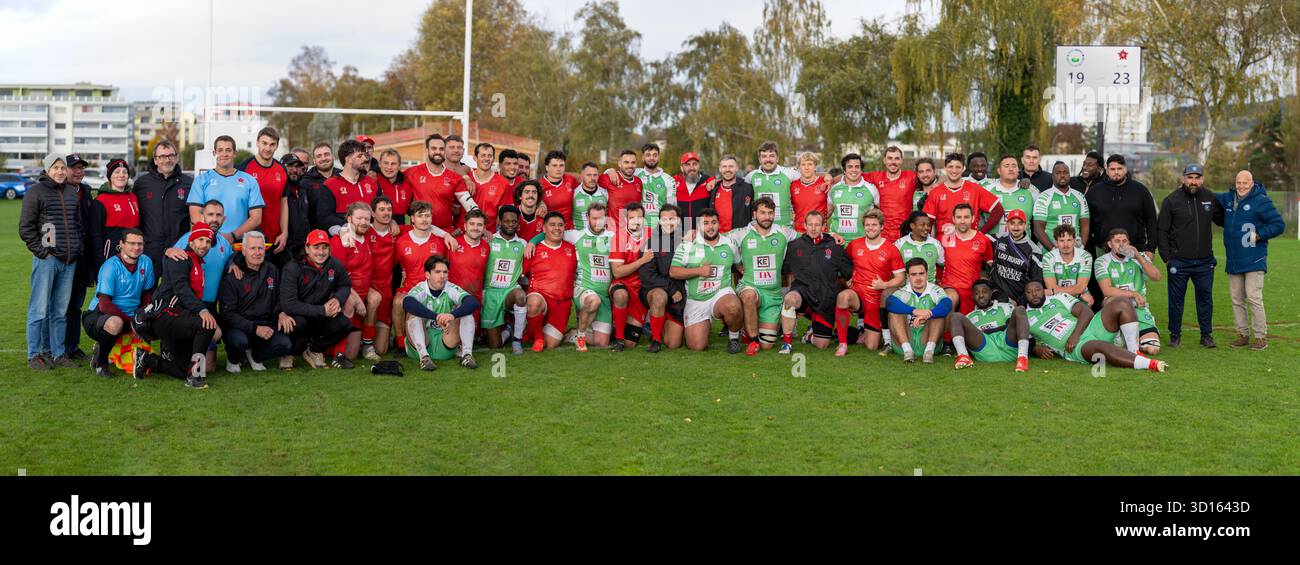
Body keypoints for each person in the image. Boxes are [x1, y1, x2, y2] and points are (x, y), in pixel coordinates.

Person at [133, 223, 220, 388]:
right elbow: (181, 289)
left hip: (179, 317)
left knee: (181, 371)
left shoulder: (196, 262)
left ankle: (147, 359)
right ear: (191, 241)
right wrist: (202, 310)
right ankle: (195, 376)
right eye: (200, 240)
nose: (204, 245)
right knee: (207, 325)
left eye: (208, 242)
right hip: (164, 316)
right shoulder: (180, 257)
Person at [20, 154, 83, 370]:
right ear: (47, 170)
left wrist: (77, 247)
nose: (59, 171)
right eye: (55, 167)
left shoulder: (70, 192)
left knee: (60, 311)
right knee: (38, 309)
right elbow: (25, 228)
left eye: (62, 167)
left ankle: (57, 353)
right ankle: (34, 355)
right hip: (47, 260)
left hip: (69, 260)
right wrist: (42, 252)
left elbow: (77, 225)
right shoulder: (35, 192)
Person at [1023, 280, 1167, 373]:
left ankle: (1134, 352)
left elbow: (1086, 312)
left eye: (1037, 290)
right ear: (1024, 295)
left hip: (1089, 328)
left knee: (1122, 302)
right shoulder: (1025, 317)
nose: (1034, 294)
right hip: (1077, 347)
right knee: (1101, 347)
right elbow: (1022, 343)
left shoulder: (1058, 298)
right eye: (1029, 292)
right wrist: (1035, 349)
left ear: (1044, 290)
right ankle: (1150, 364)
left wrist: (1075, 335)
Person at [1215, 170, 1286, 350]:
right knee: (1236, 299)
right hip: (1234, 259)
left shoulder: (1261, 200)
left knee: (1253, 297)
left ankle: (1261, 337)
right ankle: (1242, 334)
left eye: (1245, 183)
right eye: (1238, 182)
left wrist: (1260, 235)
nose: (1241, 186)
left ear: (1252, 183)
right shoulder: (1229, 198)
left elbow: (1279, 224)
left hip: (1254, 259)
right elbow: (1210, 197)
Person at [530, 203, 615, 351]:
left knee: (602, 343)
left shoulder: (613, 237)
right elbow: (552, 232)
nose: (597, 222)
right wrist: (532, 242)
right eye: (594, 218)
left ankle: (573, 334)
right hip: (583, 289)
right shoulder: (576, 235)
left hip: (604, 295)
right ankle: (581, 337)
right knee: (593, 301)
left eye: (601, 218)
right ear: (587, 217)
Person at [1157, 164, 1222, 348]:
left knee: (1205, 299)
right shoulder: (1171, 200)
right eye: (1190, 177)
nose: (1193, 181)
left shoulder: (1210, 198)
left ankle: (1206, 335)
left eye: (1197, 177)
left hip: (1204, 262)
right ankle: (1175, 335)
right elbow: (1162, 231)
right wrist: (1167, 258)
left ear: (1202, 179)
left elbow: (1223, 219)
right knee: (1176, 301)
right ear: (1183, 179)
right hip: (1179, 262)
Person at [727, 197, 802, 355]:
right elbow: (718, 240)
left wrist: (832, 235)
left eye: (770, 213)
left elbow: (806, 237)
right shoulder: (742, 233)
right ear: (754, 214)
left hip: (773, 294)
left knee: (767, 345)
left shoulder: (783, 231)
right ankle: (752, 340)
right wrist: (737, 262)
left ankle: (749, 326)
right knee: (749, 296)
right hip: (750, 286)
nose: (767, 217)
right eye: (762, 213)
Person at [167, 200, 235, 372]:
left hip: (210, 305)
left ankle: (193, 353)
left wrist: (234, 265)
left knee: (210, 368)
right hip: (186, 304)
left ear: (224, 219)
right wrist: (167, 251)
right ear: (202, 216)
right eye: (210, 214)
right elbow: (170, 260)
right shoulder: (188, 239)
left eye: (218, 215)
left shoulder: (225, 244)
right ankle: (173, 348)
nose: (214, 219)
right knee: (183, 363)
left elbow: (228, 263)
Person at [670, 208, 744, 353]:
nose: (710, 227)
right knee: (697, 346)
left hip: (720, 294)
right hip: (696, 299)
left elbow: (740, 266)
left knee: (733, 306)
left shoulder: (730, 244)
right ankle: (703, 324)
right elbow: (673, 272)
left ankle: (734, 338)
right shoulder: (687, 244)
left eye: (714, 222)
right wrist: (698, 271)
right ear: (698, 226)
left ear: (719, 224)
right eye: (706, 223)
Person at [1084, 154, 1158, 298]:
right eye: (1112, 169)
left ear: (1125, 169)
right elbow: (1088, 222)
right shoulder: (1095, 192)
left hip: (1135, 248)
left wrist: (1151, 248)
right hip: (1104, 250)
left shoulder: (1140, 190)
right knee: (1106, 291)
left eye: (1120, 168)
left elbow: (1151, 220)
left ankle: (1137, 315)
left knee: (1136, 287)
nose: (1116, 172)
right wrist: (1090, 247)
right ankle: (1106, 317)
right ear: (1107, 169)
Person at [280, 230, 356, 369]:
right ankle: (288, 353)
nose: (321, 252)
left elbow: (345, 284)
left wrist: (337, 299)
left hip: (320, 315)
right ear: (307, 248)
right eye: (316, 247)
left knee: (344, 324)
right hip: (299, 315)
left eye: (324, 247)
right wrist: (322, 310)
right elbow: (288, 304)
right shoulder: (293, 267)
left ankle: (315, 349)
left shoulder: (334, 264)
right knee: (294, 324)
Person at [219, 231, 293, 372]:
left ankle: (255, 356)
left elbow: (278, 297)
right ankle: (233, 359)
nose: (257, 253)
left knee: (284, 344)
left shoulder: (272, 270)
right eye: (253, 248)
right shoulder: (232, 275)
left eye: (260, 248)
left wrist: (281, 313)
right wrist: (254, 328)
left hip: (265, 324)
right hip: (240, 327)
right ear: (244, 250)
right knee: (238, 342)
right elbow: (228, 315)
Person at [780, 210, 853, 353]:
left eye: (817, 225)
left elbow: (848, 272)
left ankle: (810, 336)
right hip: (803, 294)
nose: (813, 228)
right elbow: (784, 271)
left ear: (824, 226)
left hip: (825, 299)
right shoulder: (794, 246)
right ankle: (787, 343)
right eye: (810, 224)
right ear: (804, 225)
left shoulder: (835, 246)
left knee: (822, 344)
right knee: (790, 298)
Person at [84, 229, 154, 377]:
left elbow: (147, 295)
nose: (136, 247)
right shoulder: (110, 266)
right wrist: (132, 324)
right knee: (115, 323)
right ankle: (101, 364)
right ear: (121, 244)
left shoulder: (146, 262)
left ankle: (106, 347)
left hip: (130, 318)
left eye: (140, 244)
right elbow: (104, 305)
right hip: (99, 316)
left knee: (158, 320)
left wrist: (141, 321)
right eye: (132, 243)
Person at [835, 209, 905, 356]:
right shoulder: (855, 245)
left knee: (872, 346)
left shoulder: (891, 249)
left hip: (876, 300)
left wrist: (884, 285)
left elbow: (901, 278)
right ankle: (842, 343)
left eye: (874, 224)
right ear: (863, 226)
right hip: (858, 293)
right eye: (867, 225)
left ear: (881, 226)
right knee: (843, 297)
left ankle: (863, 332)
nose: (870, 228)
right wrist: (847, 279)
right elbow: (844, 261)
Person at [391, 201, 452, 354]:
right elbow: (393, 265)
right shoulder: (401, 241)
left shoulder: (440, 241)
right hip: (410, 287)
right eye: (420, 216)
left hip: (433, 289)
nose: (424, 219)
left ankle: (425, 343)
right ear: (412, 219)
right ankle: (400, 343)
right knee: (398, 301)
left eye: (427, 216)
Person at [403, 255, 480, 371]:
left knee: (466, 312)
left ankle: (467, 355)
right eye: (437, 272)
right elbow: (407, 303)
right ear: (427, 275)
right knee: (412, 314)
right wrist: (436, 317)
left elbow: (472, 302)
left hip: (445, 342)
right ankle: (424, 359)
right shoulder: (421, 289)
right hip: (420, 344)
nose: (442, 276)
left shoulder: (450, 288)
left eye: (445, 272)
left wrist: (452, 315)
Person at [1095, 229, 1163, 356]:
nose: (1121, 244)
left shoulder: (1138, 257)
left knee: (1153, 349)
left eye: (1124, 241)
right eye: (1117, 241)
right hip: (1115, 310)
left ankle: (1131, 341)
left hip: (1138, 309)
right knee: (1109, 300)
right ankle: (1123, 337)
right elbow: (1107, 290)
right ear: (1110, 244)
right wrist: (1134, 294)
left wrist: (1138, 256)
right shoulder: (1102, 261)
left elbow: (1156, 277)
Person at [327, 202, 378, 367]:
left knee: (376, 297)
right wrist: (354, 297)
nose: (363, 222)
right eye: (359, 218)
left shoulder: (369, 236)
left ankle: (367, 343)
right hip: (344, 294)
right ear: (349, 219)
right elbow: (337, 277)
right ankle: (338, 355)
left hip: (362, 292)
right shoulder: (341, 240)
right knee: (348, 302)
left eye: (367, 218)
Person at [188, 135, 264, 244]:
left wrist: (233, 235)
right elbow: (195, 214)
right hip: (209, 242)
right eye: (220, 150)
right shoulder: (201, 180)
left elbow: (256, 218)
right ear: (214, 153)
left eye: (228, 150)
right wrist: (211, 235)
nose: (224, 154)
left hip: (239, 242)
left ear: (234, 153)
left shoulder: (249, 181)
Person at [522, 212, 578, 352]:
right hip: (540, 296)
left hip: (562, 303)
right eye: (552, 225)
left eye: (560, 225)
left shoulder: (572, 248)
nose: (557, 228)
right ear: (544, 229)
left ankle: (534, 330)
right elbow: (520, 276)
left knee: (551, 344)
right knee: (534, 303)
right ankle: (537, 337)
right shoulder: (534, 249)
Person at [949, 279, 1031, 372]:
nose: (981, 295)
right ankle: (963, 357)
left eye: (984, 292)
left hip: (1006, 342)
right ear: (972, 296)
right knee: (956, 316)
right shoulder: (969, 317)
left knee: (1020, 309)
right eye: (976, 293)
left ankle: (1022, 358)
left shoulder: (1004, 306)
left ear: (991, 293)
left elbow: (1010, 325)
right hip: (985, 348)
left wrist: (986, 331)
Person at [136, 141, 194, 269]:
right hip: (149, 251)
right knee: (148, 289)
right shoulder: (142, 184)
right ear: (155, 160)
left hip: (179, 249)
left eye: (170, 156)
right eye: (162, 156)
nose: (167, 160)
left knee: (176, 288)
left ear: (176, 158)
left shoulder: (188, 183)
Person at [638, 204, 688, 352]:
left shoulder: (688, 241)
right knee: (659, 296)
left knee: (673, 343)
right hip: (658, 290)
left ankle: (662, 321)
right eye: (664, 219)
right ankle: (655, 340)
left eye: (672, 219)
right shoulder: (652, 242)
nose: (668, 223)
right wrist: (671, 289)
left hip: (680, 297)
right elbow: (647, 276)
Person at [481, 205, 530, 353]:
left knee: (520, 296)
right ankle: (509, 329)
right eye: (507, 221)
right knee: (495, 345)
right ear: (499, 221)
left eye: (514, 221)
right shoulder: (488, 240)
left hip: (510, 291)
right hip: (490, 293)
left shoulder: (523, 244)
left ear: (518, 223)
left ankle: (517, 341)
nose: (510, 224)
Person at [885, 258, 952, 363]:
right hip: (905, 341)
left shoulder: (935, 290)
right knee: (894, 312)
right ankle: (908, 351)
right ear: (908, 276)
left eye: (921, 273)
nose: (918, 278)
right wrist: (915, 311)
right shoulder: (904, 291)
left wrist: (928, 314)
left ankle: (929, 352)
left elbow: (947, 304)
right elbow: (890, 303)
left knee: (937, 313)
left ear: (926, 274)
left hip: (927, 339)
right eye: (914, 274)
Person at [237, 127, 290, 260]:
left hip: (275, 239)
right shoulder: (244, 168)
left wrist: (284, 233)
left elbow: (284, 204)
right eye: (264, 143)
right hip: (250, 239)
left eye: (272, 144)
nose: (267, 148)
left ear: (277, 146)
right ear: (257, 143)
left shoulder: (282, 170)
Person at [406, 134, 476, 233]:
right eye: (434, 148)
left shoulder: (455, 178)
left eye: (441, 149)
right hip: (419, 232)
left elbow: (469, 204)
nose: (438, 152)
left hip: (445, 233)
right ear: (427, 151)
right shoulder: (411, 173)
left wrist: (479, 219)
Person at [446, 209, 490, 367]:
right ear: (464, 225)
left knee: (473, 333)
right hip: (454, 298)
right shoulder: (453, 244)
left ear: (484, 228)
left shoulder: (487, 247)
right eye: (472, 224)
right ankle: (466, 353)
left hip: (476, 299)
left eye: (479, 225)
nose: (475, 228)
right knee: (452, 342)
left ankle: (466, 350)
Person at [923, 153, 1005, 237]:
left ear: (963, 168)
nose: (954, 171)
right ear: (945, 168)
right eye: (950, 167)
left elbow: (998, 210)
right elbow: (927, 222)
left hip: (970, 245)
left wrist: (981, 233)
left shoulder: (974, 189)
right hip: (944, 245)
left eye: (958, 167)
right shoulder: (936, 192)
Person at [63, 154, 94, 362]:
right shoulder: (59, 191)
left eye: (81, 167)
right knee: (60, 306)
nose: (78, 171)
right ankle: (57, 348)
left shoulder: (86, 192)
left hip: (83, 259)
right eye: (74, 167)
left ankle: (72, 346)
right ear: (65, 170)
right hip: (65, 257)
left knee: (75, 305)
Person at [608, 203, 652, 352]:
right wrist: (642, 260)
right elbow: (617, 272)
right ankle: (618, 339)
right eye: (632, 218)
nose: (636, 221)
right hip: (623, 284)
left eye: (639, 217)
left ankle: (615, 328)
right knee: (620, 295)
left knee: (631, 344)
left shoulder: (652, 234)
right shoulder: (619, 237)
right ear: (626, 220)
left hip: (642, 290)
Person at [87, 159, 141, 276]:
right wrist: (100, 264)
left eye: (124, 172)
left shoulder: (133, 197)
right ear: (110, 176)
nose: (121, 175)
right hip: (110, 258)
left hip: (132, 257)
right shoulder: (101, 201)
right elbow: (95, 236)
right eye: (117, 172)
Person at [363, 196, 401, 358]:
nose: (386, 213)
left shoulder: (396, 232)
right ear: (372, 212)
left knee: (382, 349)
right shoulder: (365, 229)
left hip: (386, 290)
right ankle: (365, 344)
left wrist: (447, 235)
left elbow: (426, 227)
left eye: (389, 210)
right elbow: (344, 229)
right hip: (366, 288)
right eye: (382, 210)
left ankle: (369, 339)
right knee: (373, 300)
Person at [940, 204, 995, 315]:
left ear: (973, 218)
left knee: (968, 325)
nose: (962, 221)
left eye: (966, 217)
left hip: (972, 292)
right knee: (949, 300)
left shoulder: (983, 240)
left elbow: (991, 267)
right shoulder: (945, 238)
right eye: (959, 217)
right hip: (950, 288)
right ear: (953, 219)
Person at [316, 140, 378, 236]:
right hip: (345, 242)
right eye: (359, 156)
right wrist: (350, 225)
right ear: (348, 159)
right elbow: (324, 217)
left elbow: (380, 209)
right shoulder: (330, 185)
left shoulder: (372, 183)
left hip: (371, 241)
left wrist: (391, 221)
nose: (364, 159)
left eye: (364, 155)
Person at [988, 209, 1043, 305]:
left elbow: (1036, 283)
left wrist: (1021, 302)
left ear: (1025, 225)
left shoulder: (1034, 251)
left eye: (1020, 223)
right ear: (1007, 224)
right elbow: (975, 238)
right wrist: (988, 259)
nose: (1016, 227)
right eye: (1012, 223)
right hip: (996, 293)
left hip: (1019, 299)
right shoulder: (997, 239)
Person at [1033, 161, 1090, 252]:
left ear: (1069, 175)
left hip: (1075, 252)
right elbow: (1038, 228)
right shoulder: (1044, 197)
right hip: (1049, 251)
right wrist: (1052, 250)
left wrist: (1081, 247)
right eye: (1058, 173)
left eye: (1065, 173)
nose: (1062, 175)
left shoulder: (1079, 196)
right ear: (1052, 176)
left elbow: (1085, 225)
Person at [863, 146, 919, 236]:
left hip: (905, 232)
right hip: (882, 233)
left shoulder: (911, 176)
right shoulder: (876, 177)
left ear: (901, 161)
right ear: (884, 160)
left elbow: (932, 178)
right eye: (890, 158)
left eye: (897, 158)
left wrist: (936, 183)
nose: (893, 162)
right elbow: (852, 175)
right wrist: (832, 180)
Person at [826, 153, 881, 241]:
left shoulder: (871, 189)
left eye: (857, 167)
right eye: (850, 167)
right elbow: (826, 214)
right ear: (844, 170)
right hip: (837, 241)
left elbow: (880, 214)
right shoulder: (834, 189)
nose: (854, 170)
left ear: (861, 170)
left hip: (862, 242)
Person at [744, 141, 798, 228]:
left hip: (784, 228)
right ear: (759, 159)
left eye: (772, 156)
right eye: (764, 156)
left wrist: (828, 177)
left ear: (777, 158)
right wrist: (714, 181)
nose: (768, 159)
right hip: (759, 228)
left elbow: (810, 180)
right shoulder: (751, 176)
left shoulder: (790, 174)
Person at [986, 154, 1039, 237]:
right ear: (999, 170)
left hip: (1022, 248)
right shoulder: (987, 190)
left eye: (1014, 166)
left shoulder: (1031, 191)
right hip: (993, 246)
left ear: (1018, 170)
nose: (1011, 169)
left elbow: (1042, 221)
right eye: (1006, 166)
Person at [1041, 224, 1094, 306]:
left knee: (1087, 302)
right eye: (1062, 241)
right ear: (1056, 242)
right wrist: (1078, 293)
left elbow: (1080, 287)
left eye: (1069, 240)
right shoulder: (1048, 257)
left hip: (1081, 296)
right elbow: (1051, 286)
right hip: (1059, 297)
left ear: (1074, 241)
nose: (1066, 245)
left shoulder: (1085, 256)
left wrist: (1053, 291)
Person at [468, 143, 512, 234]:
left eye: (490, 156)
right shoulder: (465, 178)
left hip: (488, 235)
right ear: (475, 158)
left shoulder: (503, 184)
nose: (487, 159)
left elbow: (503, 215)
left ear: (493, 159)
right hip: (464, 232)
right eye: (483, 155)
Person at [633, 143, 678, 228]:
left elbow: (672, 207)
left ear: (659, 157)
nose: (651, 158)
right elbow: (619, 172)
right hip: (637, 226)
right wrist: (610, 170)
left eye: (655, 155)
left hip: (658, 227)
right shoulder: (635, 173)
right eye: (648, 155)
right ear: (643, 158)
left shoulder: (669, 180)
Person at [707, 155, 754, 233]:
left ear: (737, 168)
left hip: (740, 237)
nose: (727, 170)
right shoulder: (713, 189)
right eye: (724, 167)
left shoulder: (748, 189)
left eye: (731, 166)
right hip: (718, 237)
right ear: (720, 169)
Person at [895, 211, 944, 284]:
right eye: (922, 225)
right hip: (906, 289)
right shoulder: (900, 244)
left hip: (930, 289)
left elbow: (944, 264)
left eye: (928, 225)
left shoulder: (935, 244)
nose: (926, 228)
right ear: (912, 226)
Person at [598, 150, 644, 227]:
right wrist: (609, 170)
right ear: (619, 163)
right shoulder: (609, 178)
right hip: (614, 232)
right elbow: (591, 179)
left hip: (633, 232)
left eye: (633, 162)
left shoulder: (638, 181)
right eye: (626, 162)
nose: (630, 165)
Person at [280, 152, 311, 265]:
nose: (294, 170)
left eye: (297, 166)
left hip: (302, 249)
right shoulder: (279, 191)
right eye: (290, 166)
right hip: (284, 249)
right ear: (282, 167)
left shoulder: (303, 190)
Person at [537, 150, 579, 228]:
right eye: (554, 165)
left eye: (561, 165)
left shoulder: (571, 180)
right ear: (547, 167)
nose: (558, 169)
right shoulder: (539, 186)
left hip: (570, 230)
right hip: (551, 230)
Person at [790, 152, 829, 233]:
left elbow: (831, 207)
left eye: (810, 164)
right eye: (803, 164)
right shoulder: (793, 185)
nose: (806, 167)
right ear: (799, 167)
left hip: (820, 232)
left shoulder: (824, 182)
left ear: (815, 166)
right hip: (799, 232)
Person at [302, 142, 339, 227]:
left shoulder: (343, 176)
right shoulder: (306, 181)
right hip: (316, 234)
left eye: (326, 154)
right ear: (314, 160)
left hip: (342, 231)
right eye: (319, 156)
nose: (323, 158)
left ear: (333, 156)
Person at [675, 152, 716, 221]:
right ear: (681, 168)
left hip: (702, 228)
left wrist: (713, 179)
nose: (692, 168)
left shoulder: (707, 181)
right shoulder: (673, 182)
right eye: (687, 164)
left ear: (699, 166)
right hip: (682, 229)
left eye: (695, 164)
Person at [375, 148, 412, 225]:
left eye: (393, 164)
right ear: (379, 164)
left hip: (400, 230)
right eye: (386, 163)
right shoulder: (373, 181)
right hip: (378, 231)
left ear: (399, 165)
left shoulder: (407, 184)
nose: (389, 167)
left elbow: (411, 210)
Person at [572, 163, 609, 232]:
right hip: (580, 237)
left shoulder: (605, 192)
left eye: (595, 175)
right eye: (588, 175)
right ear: (582, 176)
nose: (592, 178)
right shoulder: (574, 193)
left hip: (600, 237)